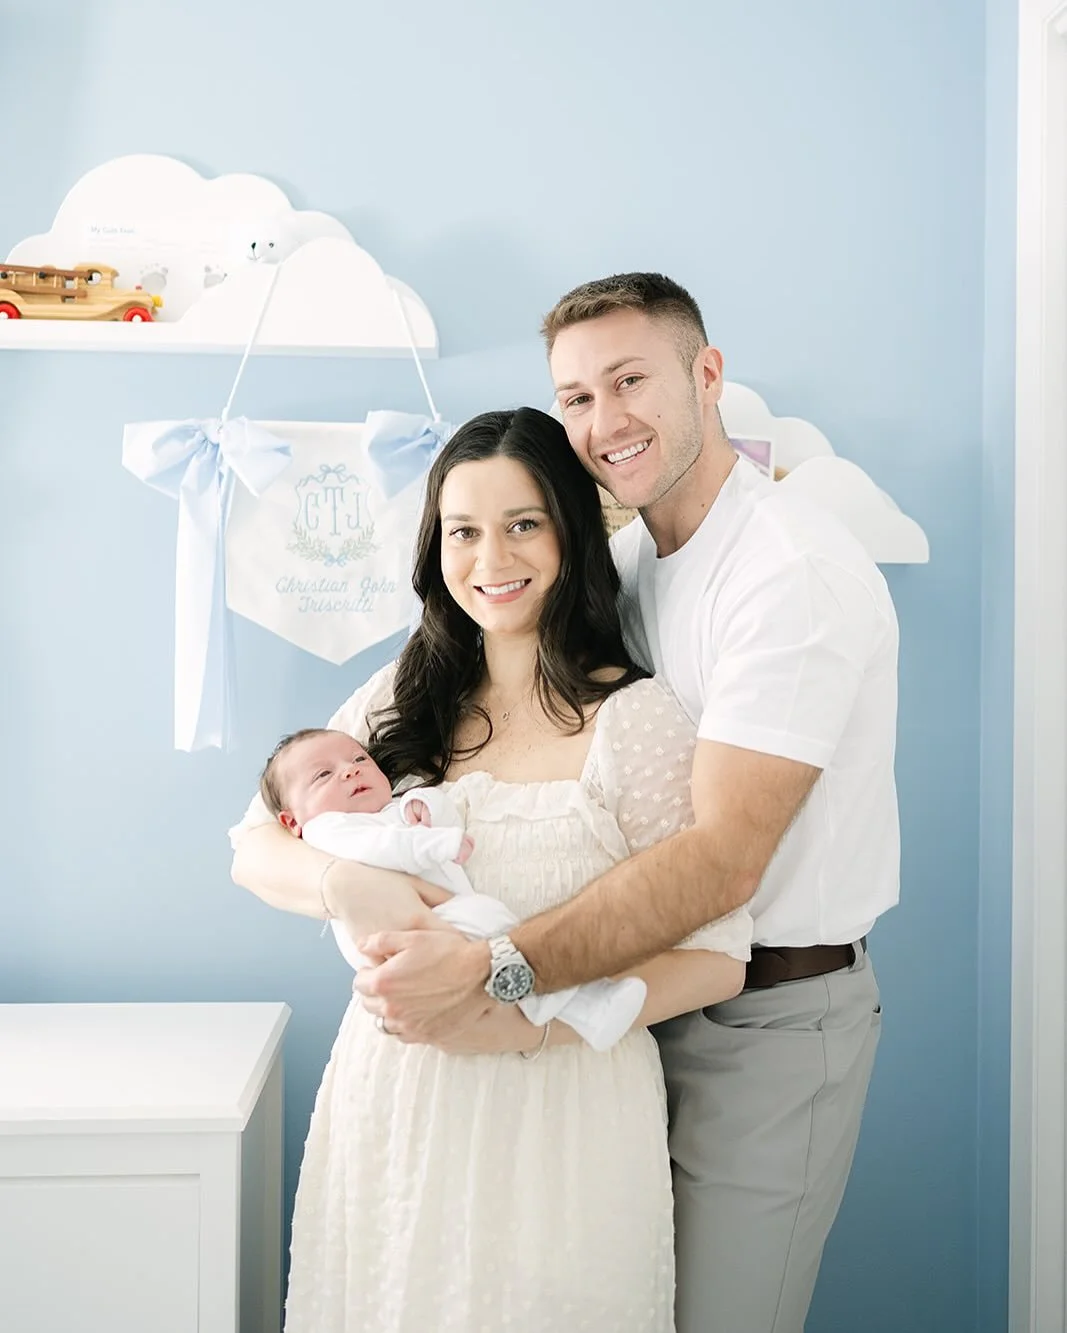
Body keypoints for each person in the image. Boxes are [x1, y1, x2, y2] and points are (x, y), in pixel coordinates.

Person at [346, 275, 900, 1333]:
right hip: (619, 1014)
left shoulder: (784, 571)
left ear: (706, 375)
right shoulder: (633, 561)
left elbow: (721, 860)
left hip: (765, 1017)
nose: (605, 422)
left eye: (630, 380)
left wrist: (495, 971)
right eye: (578, 396)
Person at [230, 406, 753, 1331]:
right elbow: (255, 843)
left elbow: (717, 954)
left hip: (563, 1115)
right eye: (464, 531)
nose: (490, 559)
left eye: (522, 524)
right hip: (395, 1105)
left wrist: (522, 1028)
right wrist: (347, 885)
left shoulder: (632, 719)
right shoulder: (405, 693)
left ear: (571, 531)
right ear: (436, 547)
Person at [259, 725, 654, 1050]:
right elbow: (381, 848)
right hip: (398, 939)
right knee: (491, 923)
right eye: (323, 775)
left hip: (443, 919)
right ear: (292, 822)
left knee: (495, 926)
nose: (350, 770)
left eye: (360, 759)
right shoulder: (326, 830)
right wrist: (434, 843)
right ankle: (583, 1004)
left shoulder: (392, 810)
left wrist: (425, 807)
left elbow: (440, 818)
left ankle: (578, 1007)